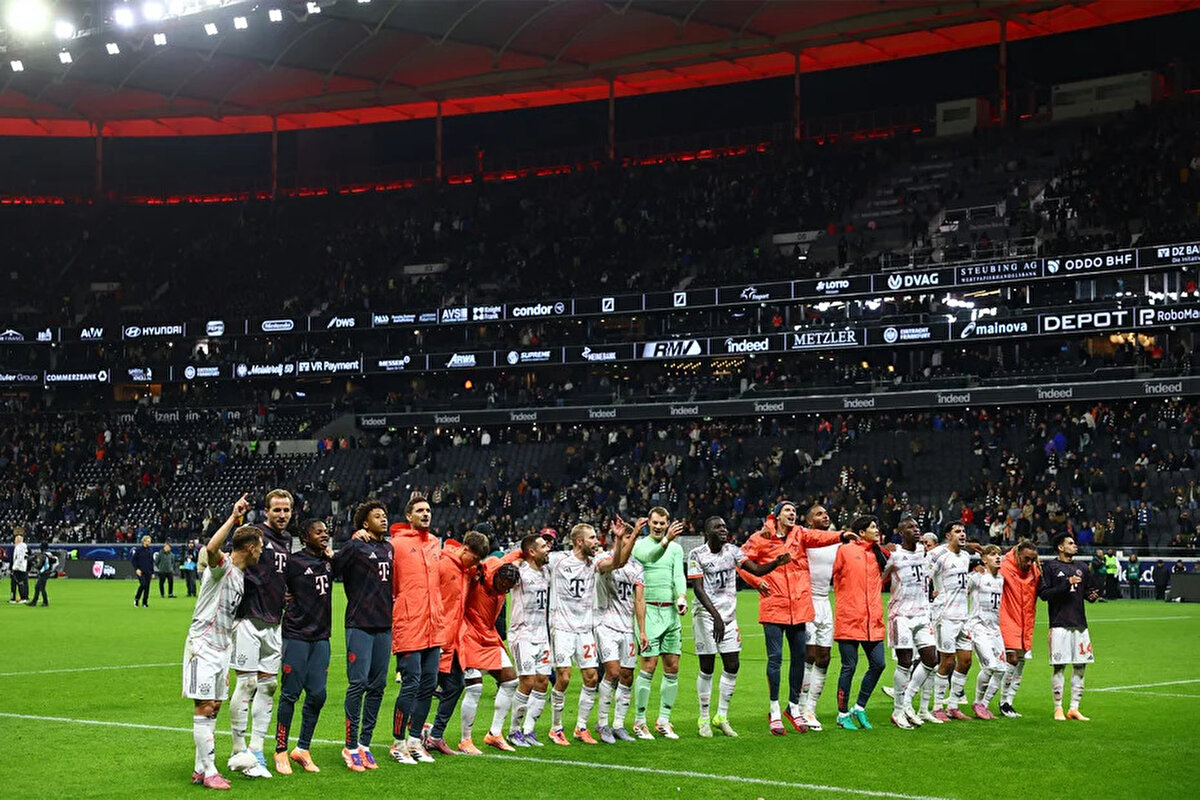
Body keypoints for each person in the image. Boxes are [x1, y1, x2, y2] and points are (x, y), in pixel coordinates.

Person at [741, 500, 849, 735]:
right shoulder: (761, 538)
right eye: (788, 510)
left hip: (799, 607)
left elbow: (821, 538)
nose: (793, 514)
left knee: (800, 658)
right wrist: (757, 582)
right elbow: (740, 562)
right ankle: (774, 710)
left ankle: (793, 707)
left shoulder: (800, 534)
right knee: (775, 659)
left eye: (795, 511)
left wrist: (841, 535)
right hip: (774, 606)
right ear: (777, 515)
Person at [182, 494, 260, 791]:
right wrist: (233, 517)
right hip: (202, 645)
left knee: (213, 706)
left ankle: (200, 768)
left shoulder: (240, 576)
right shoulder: (224, 566)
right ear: (251, 548)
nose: (261, 553)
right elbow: (211, 547)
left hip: (221, 649)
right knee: (203, 708)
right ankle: (211, 770)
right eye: (260, 548)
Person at [688, 515, 790, 738]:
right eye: (718, 527)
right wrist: (713, 614)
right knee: (707, 667)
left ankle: (721, 717)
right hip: (705, 615)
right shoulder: (696, 555)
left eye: (725, 527)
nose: (724, 530)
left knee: (732, 665)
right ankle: (703, 718)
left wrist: (776, 563)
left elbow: (756, 570)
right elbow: (697, 588)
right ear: (708, 532)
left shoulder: (733, 552)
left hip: (728, 616)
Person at [547, 520, 633, 745]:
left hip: (585, 629)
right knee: (564, 678)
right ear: (579, 541)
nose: (596, 542)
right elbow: (530, 557)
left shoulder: (594, 563)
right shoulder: (558, 561)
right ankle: (556, 728)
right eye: (592, 538)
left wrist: (618, 538)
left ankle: (581, 727)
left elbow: (618, 562)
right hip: (563, 628)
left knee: (592, 678)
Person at [228, 489, 294, 778]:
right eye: (277, 510)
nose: (282, 515)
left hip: (274, 621)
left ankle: (257, 752)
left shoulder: (287, 540)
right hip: (249, 619)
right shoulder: (255, 535)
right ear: (266, 511)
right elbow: (236, 557)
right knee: (246, 684)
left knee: (268, 686)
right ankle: (238, 750)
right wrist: (237, 516)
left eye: (286, 510)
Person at [333, 501, 395, 770]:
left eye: (384, 516)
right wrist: (351, 540)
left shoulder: (389, 548)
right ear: (364, 523)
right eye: (377, 516)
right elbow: (332, 567)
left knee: (378, 686)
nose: (383, 519)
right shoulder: (355, 546)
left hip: (384, 625)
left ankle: (365, 744)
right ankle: (350, 746)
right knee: (357, 684)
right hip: (359, 624)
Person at [273, 519, 333, 775]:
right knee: (290, 695)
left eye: (326, 531)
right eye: (318, 532)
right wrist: (282, 596)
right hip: (296, 636)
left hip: (321, 638)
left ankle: (303, 748)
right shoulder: (293, 562)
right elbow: (273, 585)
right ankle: (280, 750)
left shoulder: (330, 562)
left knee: (318, 695)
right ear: (305, 537)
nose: (325, 535)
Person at [424, 531, 490, 755]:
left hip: (452, 640)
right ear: (465, 549)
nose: (476, 564)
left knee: (455, 685)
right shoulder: (442, 564)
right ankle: (411, 738)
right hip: (434, 637)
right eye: (475, 558)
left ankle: (434, 735)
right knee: (424, 687)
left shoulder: (465, 570)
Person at [389, 495, 443, 765]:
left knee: (429, 683)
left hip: (434, 625)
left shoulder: (435, 543)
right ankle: (397, 743)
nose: (426, 514)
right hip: (409, 624)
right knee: (410, 684)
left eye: (429, 510)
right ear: (408, 516)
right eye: (420, 510)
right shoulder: (396, 545)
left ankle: (414, 742)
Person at [629, 508, 687, 739]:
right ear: (648, 524)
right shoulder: (641, 546)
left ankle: (664, 720)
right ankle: (639, 721)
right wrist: (666, 540)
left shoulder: (676, 548)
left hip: (670, 613)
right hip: (649, 611)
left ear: (667, 523)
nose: (658, 526)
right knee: (649, 665)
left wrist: (681, 596)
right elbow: (651, 556)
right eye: (655, 522)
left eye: (662, 523)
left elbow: (678, 575)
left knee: (672, 666)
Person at [457, 554, 524, 752]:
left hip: (488, 635)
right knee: (475, 687)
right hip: (468, 634)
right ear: (496, 577)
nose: (505, 590)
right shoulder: (480, 574)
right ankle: (465, 740)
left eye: (509, 588)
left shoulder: (504, 575)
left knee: (511, 680)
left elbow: (513, 556)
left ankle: (494, 733)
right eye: (504, 585)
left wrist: (525, 553)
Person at [831, 515, 888, 730]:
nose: (877, 529)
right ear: (861, 532)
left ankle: (859, 707)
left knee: (879, 664)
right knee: (849, 666)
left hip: (872, 620)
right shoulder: (845, 550)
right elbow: (830, 575)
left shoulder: (879, 554)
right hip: (850, 617)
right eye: (873, 527)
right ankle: (842, 713)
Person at [592, 518, 646, 744]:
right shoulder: (602, 558)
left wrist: (642, 631)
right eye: (626, 537)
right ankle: (602, 724)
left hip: (626, 627)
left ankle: (619, 725)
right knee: (612, 673)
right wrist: (619, 539)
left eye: (631, 537)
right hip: (605, 624)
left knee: (627, 676)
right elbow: (616, 564)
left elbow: (639, 599)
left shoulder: (638, 567)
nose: (630, 541)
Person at [883, 515, 937, 729]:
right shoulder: (894, 556)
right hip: (901, 615)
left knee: (930, 659)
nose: (916, 530)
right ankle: (898, 711)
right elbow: (879, 576)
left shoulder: (925, 552)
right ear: (900, 532)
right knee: (905, 662)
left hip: (923, 614)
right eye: (910, 527)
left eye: (917, 526)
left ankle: (906, 703)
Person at [1039, 533, 1099, 721]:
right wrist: (1066, 583)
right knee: (1059, 667)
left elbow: (1087, 591)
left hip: (1080, 624)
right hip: (1059, 624)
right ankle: (1058, 708)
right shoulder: (1050, 567)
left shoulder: (1082, 567)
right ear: (1060, 547)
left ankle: (1074, 708)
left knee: (1080, 666)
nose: (1075, 546)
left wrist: (1091, 596)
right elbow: (1044, 594)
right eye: (1071, 543)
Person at [507, 532, 553, 746]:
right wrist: (517, 558)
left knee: (543, 681)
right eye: (543, 546)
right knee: (528, 681)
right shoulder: (519, 573)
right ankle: (513, 730)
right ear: (532, 552)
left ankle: (529, 730)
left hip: (542, 635)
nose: (548, 549)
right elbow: (503, 572)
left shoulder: (547, 572)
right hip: (522, 634)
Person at [798, 503, 839, 731]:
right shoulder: (803, 538)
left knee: (824, 657)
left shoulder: (835, 540)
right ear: (809, 521)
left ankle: (811, 709)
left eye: (826, 513)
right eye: (819, 514)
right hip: (806, 599)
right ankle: (801, 707)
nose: (825, 516)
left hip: (825, 601)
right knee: (810, 654)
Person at [928, 522, 974, 721]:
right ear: (948, 536)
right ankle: (937, 707)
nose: (962, 534)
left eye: (963, 531)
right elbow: (924, 578)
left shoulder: (965, 556)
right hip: (945, 615)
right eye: (957, 532)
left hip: (964, 615)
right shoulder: (938, 555)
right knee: (947, 661)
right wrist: (931, 596)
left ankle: (953, 705)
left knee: (966, 661)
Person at [998, 540, 1040, 718]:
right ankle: (1002, 701)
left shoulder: (1035, 571)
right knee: (1012, 660)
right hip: (1008, 618)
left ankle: (1010, 702)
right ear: (1017, 554)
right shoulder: (1005, 567)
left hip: (1027, 621)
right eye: (1026, 559)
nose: (1029, 563)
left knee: (1021, 663)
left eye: (1032, 559)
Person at [966, 545, 1006, 719]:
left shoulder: (1002, 579)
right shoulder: (976, 577)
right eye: (992, 554)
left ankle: (984, 704)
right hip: (977, 626)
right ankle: (977, 701)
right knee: (990, 666)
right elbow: (959, 591)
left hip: (995, 629)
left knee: (1002, 669)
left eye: (999, 554)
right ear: (984, 559)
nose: (998, 557)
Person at [28, 543, 59, 607]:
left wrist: (34, 564)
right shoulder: (49, 554)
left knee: (41, 587)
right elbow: (54, 561)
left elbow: (39, 565)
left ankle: (44, 602)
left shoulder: (43, 555)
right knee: (38, 587)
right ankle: (35, 601)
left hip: (43, 572)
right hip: (47, 571)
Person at [131, 535, 155, 608]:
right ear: (144, 541)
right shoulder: (139, 550)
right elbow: (133, 560)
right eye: (148, 541)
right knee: (143, 584)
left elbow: (151, 562)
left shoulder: (150, 550)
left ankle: (145, 602)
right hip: (141, 571)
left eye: (150, 541)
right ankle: (137, 598)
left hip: (148, 571)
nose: (149, 542)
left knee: (147, 587)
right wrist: (137, 569)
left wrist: (153, 572)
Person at [8, 533, 28, 604]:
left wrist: (16, 566)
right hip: (23, 568)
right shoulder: (25, 547)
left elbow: (19, 558)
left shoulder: (18, 547)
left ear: (18, 540)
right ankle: (23, 597)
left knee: (15, 583)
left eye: (16, 539)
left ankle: (14, 598)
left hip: (18, 568)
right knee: (21, 583)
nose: (14, 541)